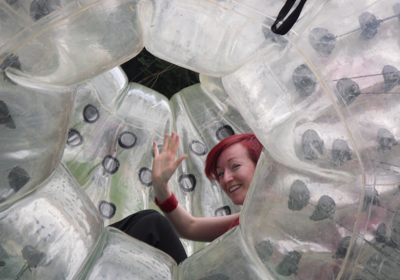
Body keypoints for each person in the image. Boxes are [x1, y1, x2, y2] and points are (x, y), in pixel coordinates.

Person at [110, 131, 263, 264]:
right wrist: (161, 187)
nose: (226, 178)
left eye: (235, 166)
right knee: (149, 219)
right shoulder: (245, 219)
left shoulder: (279, 219)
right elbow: (190, 227)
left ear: (262, 164)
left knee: (153, 224)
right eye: (220, 173)